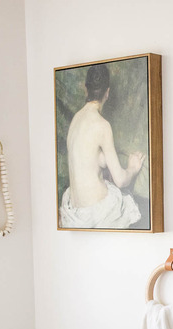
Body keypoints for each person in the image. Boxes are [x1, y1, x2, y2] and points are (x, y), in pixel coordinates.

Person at [59, 63, 146, 229]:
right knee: (128, 202)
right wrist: (133, 169)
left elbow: (88, 157)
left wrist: (103, 159)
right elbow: (120, 181)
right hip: (96, 212)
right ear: (107, 92)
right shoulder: (102, 125)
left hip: (74, 210)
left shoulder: (76, 119)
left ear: (86, 89)